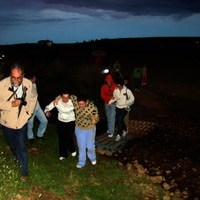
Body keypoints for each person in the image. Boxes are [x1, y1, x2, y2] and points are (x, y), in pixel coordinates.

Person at [0, 63, 37, 181]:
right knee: (13, 146)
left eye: (18, 77)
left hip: (22, 121)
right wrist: (10, 104)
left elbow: (33, 97)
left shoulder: (28, 84)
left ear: (23, 76)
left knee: (22, 146)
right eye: (13, 77)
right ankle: (17, 158)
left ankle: (24, 171)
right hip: (7, 122)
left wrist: (29, 113)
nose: (16, 80)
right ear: (10, 75)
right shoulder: (2, 85)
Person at [54, 93, 99, 168]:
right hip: (79, 128)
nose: (81, 106)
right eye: (79, 104)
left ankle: (92, 157)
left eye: (83, 104)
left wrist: (94, 119)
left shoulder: (92, 107)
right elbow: (66, 94)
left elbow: (96, 117)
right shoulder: (75, 100)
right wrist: (58, 97)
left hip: (90, 128)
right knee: (81, 146)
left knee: (90, 146)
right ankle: (81, 161)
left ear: (86, 102)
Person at [44, 91, 76, 160]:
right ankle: (63, 154)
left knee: (69, 137)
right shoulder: (57, 101)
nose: (65, 99)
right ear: (61, 96)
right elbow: (48, 107)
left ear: (69, 97)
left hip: (71, 121)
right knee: (61, 138)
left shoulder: (73, 101)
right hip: (61, 121)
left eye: (67, 97)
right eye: (64, 97)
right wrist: (47, 111)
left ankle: (72, 149)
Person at [27, 75, 48, 142]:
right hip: (30, 109)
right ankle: (30, 137)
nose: (35, 79)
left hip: (37, 107)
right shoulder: (25, 87)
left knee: (44, 121)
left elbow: (36, 96)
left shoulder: (34, 85)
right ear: (30, 78)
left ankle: (39, 135)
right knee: (30, 124)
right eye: (34, 78)